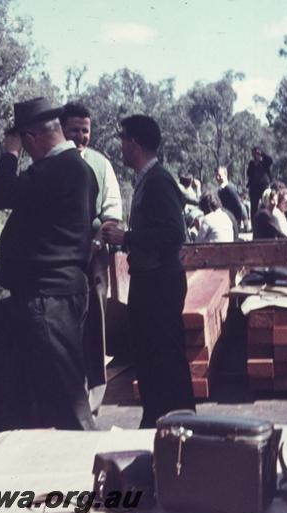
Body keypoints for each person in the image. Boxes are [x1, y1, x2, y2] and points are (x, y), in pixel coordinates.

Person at [0, 97, 98, 430]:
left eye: (24, 144)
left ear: (31, 138)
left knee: (68, 403)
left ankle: (97, 476)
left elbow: (0, 194)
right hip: (58, 296)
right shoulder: (78, 170)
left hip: (49, 300)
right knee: (58, 396)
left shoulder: (55, 169)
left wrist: (9, 153)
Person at [101, 115, 196, 428]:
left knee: (165, 357)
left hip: (159, 285)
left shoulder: (158, 181)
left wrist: (125, 237)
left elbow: (173, 234)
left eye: (123, 139)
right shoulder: (147, 181)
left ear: (135, 143)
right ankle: (158, 421)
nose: (121, 146)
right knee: (152, 357)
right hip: (151, 282)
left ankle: (181, 427)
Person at [60, 101, 123, 416]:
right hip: (61, 262)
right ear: (62, 130)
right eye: (74, 130)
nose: (81, 136)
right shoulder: (52, 165)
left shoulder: (101, 164)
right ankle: (71, 396)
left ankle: (95, 394)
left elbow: (112, 212)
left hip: (94, 258)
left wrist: (97, 242)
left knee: (95, 321)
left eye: (85, 130)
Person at [245, 147, 273, 225]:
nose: (255, 154)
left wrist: (262, 153)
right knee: (253, 207)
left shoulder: (265, 162)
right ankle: (254, 224)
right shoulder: (251, 163)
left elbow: (270, 160)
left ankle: (268, 222)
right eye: (253, 153)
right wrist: (254, 165)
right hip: (254, 187)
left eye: (256, 153)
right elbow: (248, 173)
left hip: (264, 186)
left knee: (266, 204)